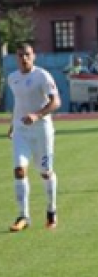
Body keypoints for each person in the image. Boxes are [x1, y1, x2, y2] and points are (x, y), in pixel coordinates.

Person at [7, 43, 62, 232]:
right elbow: (19, 104)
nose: (24, 59)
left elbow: (56, 102)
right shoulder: (12, 78)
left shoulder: (42, 76)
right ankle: (23, 216)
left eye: (27, 55)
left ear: (34, 56)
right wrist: (13, 124)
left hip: (42, 131)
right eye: (20, 55)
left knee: (45, 172)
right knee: (19, 171)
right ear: (16, 58)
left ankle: (51, 210)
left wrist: (37, 115)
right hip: (21, 132)